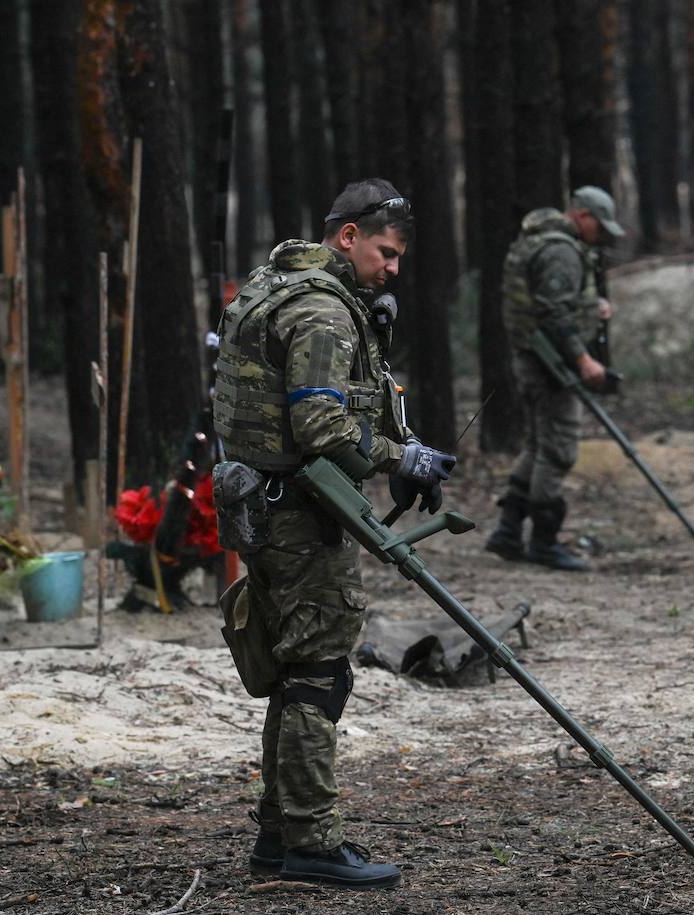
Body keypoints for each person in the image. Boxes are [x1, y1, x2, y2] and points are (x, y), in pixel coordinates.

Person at [211, 178, 456, 889]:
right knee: (319, 671)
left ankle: (279, 838)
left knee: (296, 670)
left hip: (266, 503)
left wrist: (394, 441)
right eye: (384, 252)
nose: (393, 268)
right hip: (295, 514)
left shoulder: (282, 282)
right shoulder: (322, 311)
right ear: (346, 237)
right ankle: (312, 841)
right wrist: (398, 455)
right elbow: (320, 426)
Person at [484, 186, 624, 572]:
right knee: (558, 450)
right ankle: (543, 542)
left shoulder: (542, 242)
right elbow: (553, 314)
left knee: (538, 446)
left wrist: (593, 307)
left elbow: (550, 300)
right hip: (550, 367)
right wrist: (584, 360)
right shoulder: (561, 250)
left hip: (534, 362)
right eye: (600, 224)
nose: (602, 234)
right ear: (582, 215)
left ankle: (508, 532)